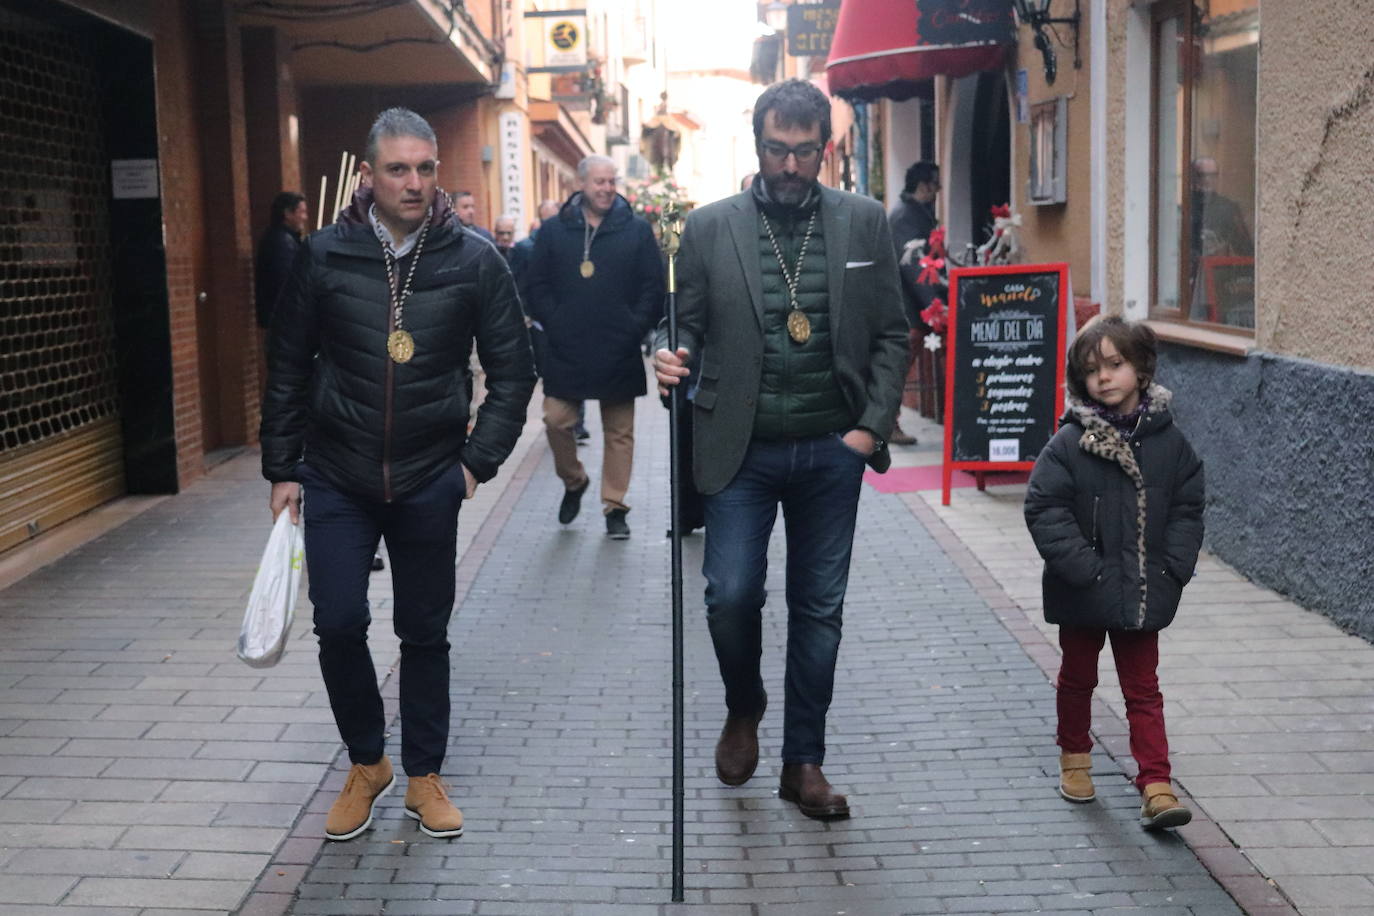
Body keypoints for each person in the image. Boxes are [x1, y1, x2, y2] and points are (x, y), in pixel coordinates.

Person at [260, 108, 536, 842]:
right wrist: (282, 468)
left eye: (425, 169)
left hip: (427, 475)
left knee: (424, 630)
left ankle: (423, 775)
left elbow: (514, 371)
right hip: (337, 473)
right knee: (340, 622)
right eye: (398, 169)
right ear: (368, 176)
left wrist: (476, 464)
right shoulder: (324, 255)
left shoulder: (474, 258)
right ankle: (367, 762)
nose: (414, 184)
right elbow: (287, 366)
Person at [653, 78, 909, 820]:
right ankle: (745, 702)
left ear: (824, 150)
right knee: (730, 594)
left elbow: (893, 331)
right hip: (740, 447)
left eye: (804, 152)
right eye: (777, 150)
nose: (790, 165)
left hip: (833, 448)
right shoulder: (709, 227)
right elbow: (686, 325)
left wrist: (868, 429)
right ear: (758, 145)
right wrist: (672, 353)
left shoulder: (863, 222)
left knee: (818, 609)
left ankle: (805, 763)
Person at [1023, 316, 1204, 831]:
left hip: (1145, 588)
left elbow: (1189, 505)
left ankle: (1156, 784)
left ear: (1141, 369)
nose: (1103, 377)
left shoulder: (1170, 443)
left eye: (1115, 364)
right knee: (1078, 678)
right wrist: (1086, 569)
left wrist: (1173, 568)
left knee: (1143, 688)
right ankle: (1075, 758)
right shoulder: (1070, 443)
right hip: (1084, 588)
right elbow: (1044, 507)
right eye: (1091, 369)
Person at [527, 155, 665, 539]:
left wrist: (634, 327)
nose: (606, 188)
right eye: (599, 182)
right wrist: (555, 323)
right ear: (582, 183)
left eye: (611, 181)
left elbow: (652, 287)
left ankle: (615, 506)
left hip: (618, 346)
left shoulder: (635, 230)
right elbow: (536, 284)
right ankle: (574, 481)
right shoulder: (555, 230)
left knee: (619, 432)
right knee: (556, 419)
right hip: (567, 346)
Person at [885, 160, 941, 447]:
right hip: (908, 309)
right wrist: (933, 307)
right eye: (936, 184)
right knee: (899, 366)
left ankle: (887, 423)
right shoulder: (907, 216)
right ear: (923, 185)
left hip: (911, 307)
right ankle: (887, 424)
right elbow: (914, 266)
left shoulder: (912, 212)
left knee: (900, 366)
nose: (939, 190)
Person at [254, 191, 308, 330]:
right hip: (286, 318)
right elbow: (289, 281)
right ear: (287, 214)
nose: (305, 217)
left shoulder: (281, 238)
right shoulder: (283, 243)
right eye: (301, 212)